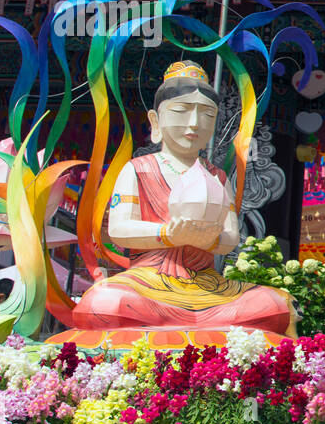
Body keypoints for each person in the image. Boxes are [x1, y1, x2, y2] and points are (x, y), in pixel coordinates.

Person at [71, 61, 295, 334]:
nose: (194, 123)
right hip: (148, 284)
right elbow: (118, 229)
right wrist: (167, 234)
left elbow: (230, 238)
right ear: (156, 120)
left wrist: (210, 239)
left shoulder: (216, 177)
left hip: (207, 286)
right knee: (104, 302)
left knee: (275, 305)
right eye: (181, 111)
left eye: (207, 115)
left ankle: (180, 327)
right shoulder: (138, 169)